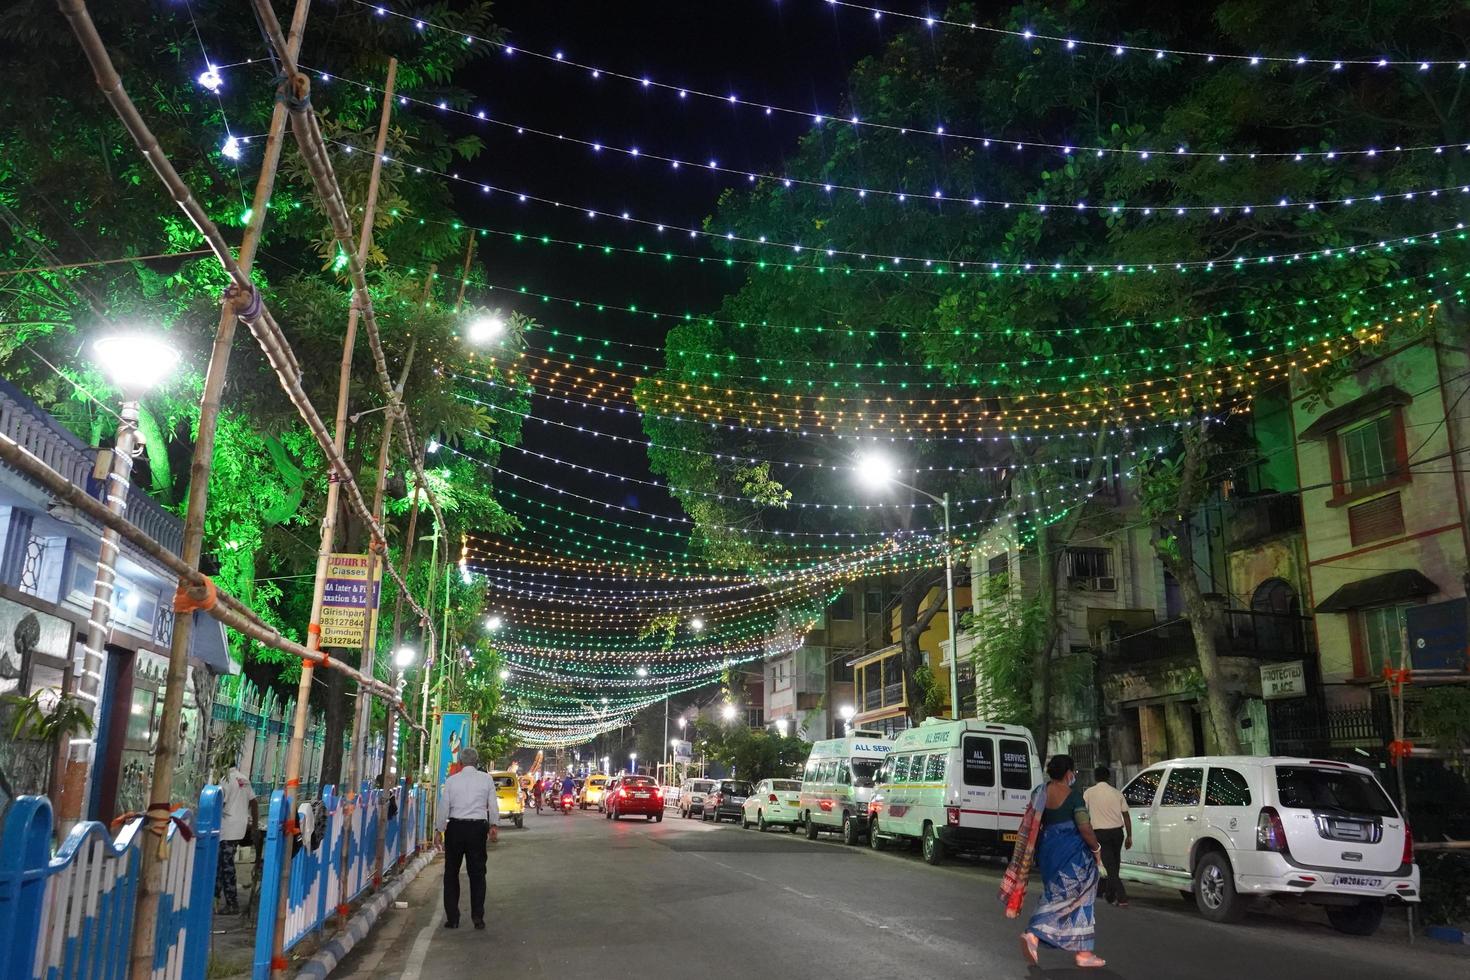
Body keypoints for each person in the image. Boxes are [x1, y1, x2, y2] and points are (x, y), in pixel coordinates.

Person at [999, 753, 1104, 969]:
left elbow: (1034, 822)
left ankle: (1084, 951)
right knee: (1067, 896)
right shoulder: (1074, 797)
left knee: (1067, 896)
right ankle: (1033, 934)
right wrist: (1096, 848)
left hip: (1048, 851)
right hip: (1072, 854)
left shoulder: (1040, 793)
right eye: (1073, 772)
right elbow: (1084, 827)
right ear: (1068, 773)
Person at [436, 746, 499, 930]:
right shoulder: (486, 779)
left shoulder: (451, 781)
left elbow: (444, 806)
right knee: (478, 874)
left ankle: (453, 918)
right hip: (477, 829)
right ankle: (477, 917)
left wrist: (439, 830)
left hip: (455, 828)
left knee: (451, 873)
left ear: (460, 762)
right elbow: (492, 805)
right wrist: (493, 826)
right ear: (477, 761)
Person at [1083, 765, 1132, 907]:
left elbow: (1083, 813)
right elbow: (1126, 816)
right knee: (1114, 865)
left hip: (1100, 834)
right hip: (1117, 833)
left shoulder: (1089, 793)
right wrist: (1129, 836)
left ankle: (1122, 897)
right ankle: (1110, 895)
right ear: (1108, 777)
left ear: (1095, 778)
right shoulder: (1117, 793)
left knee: (1111, 866)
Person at [216, 761, 258, 915]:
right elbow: (254, 802)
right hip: (239, 828)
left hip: (226, 829)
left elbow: (219, 804)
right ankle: (216, 899)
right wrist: (253, 825)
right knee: (221, 864)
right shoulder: (243, 779)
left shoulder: (225, 780)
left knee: (226, 866)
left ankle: (232, 903)